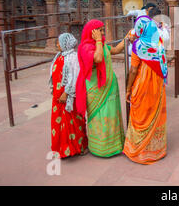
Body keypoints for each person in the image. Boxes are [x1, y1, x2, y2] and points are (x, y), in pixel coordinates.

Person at [75, 20, 127, 158]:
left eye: (103, 30)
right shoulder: (85, 47)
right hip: (96, 90)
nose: (103, 33)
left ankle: (115, 145)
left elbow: (115, 50)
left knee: (111, 114)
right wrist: (98, 41)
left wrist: (126, 39)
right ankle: (101, 148)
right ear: (92, 32)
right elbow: (97, 59)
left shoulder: (102, 45)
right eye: (100, 31)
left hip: (110, 87)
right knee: (100, 115)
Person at [123, 15, 168, 164]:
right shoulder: (158, 42)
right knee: (154, 111)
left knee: (141, 112)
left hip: (143, 83)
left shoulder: (138, 45)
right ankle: (155, 151)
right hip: (158, 82)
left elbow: (134, 70)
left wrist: (128, 89)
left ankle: (139, 151)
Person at [49, 33, 88, 158]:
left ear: (66, 43)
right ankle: (62, 148)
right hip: (57, 97)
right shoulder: (59, 56)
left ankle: (76, 147)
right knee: (59, 123)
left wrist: (66, 93)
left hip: (68, 96)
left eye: (59, 42)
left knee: (73, 122)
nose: (57, 44)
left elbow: (75, 76)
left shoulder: (73, 57)